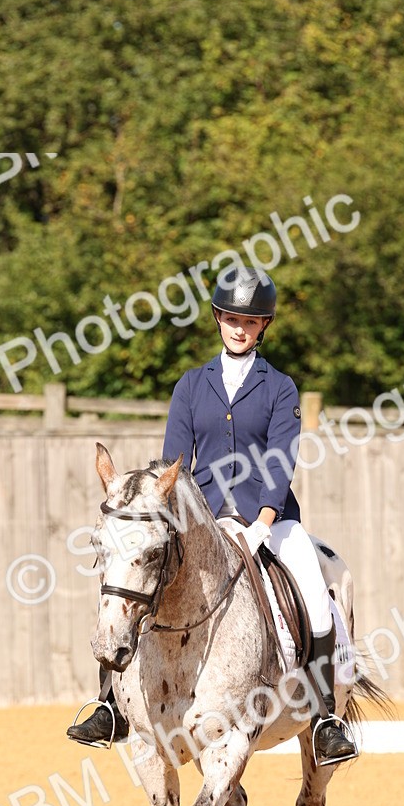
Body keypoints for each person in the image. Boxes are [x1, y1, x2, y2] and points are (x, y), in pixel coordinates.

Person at [67, 265, 356, 764]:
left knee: (312, 588)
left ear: (263, 326)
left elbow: (281, 461)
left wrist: (265, 522)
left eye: (250, 321)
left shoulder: (280, 388)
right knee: (135, 578)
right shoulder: (191, 385)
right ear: (218, 319)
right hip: (196, 517)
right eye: (230, 318)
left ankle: (327, 716)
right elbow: (173, 463)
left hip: (271, 520)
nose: (239, 328)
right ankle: (111, 704)